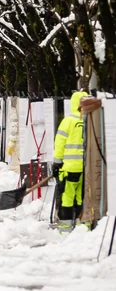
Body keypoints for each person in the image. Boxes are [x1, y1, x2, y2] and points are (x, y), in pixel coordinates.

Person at [52, 91, 88, 233]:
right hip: (85, 168)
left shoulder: (68, 121)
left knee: (67, 197)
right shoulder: (89, 120)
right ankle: (81, 228)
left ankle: (66, 230)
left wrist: (57, 163)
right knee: (81, 198)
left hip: (70, 168)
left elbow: (60, 143)